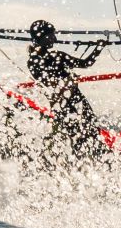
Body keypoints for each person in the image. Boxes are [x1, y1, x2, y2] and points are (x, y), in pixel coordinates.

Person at [25, 20, 107, 161]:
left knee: (86, 134)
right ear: (43, 37)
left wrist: (98, 47)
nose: (55, 39)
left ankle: (91, 162)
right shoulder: (48, 58)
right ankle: (87, 163)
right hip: (68, 103)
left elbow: (84, 64)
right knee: (84, 135)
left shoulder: (45, 58)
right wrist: (99, 47)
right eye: (52, 36)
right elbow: (84, 64)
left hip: (68, 103)